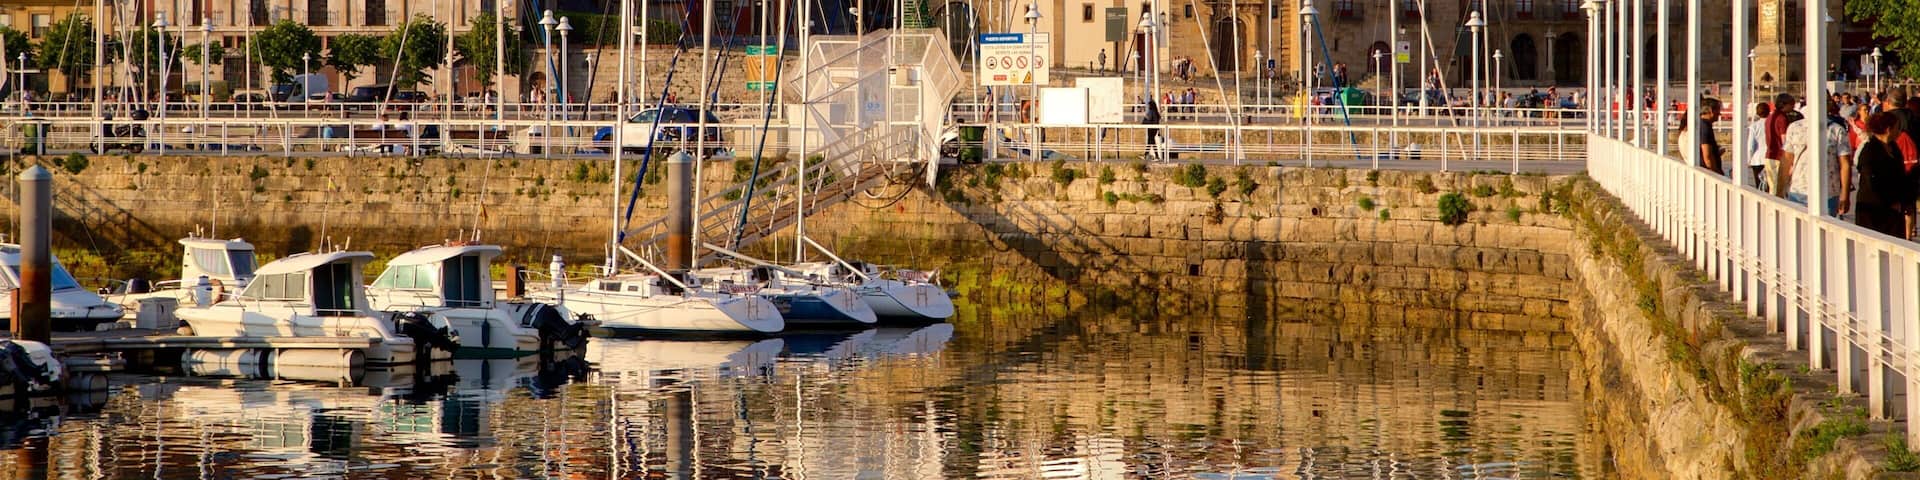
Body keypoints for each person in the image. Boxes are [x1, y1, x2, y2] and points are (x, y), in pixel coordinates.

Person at [1855, 112, 1914, 237]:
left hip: (1894, 212)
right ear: (1888, 129)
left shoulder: (1893, 147)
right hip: (1873, 211)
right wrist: (1890, 202)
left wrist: (1906, 201)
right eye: (1897, 127)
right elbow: (1871, 182)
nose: (1899, 130)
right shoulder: (1869, 151)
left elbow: (1901, 177)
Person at [1766, 92, 1799, 197]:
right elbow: (1785, 140)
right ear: (1784, 104)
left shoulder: (1771, 117)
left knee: (1773, 188)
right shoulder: (1782, 118)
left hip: (1770, 156)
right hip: (1779, 157)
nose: (1793, 106)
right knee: (1779, 190)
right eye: (1792, 104)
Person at [1694, 97, 1725, 175]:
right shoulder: (1705, 126)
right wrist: (1717, 174)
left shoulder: (1700, 124)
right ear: (1711, 110)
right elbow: (1707, 156)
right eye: (1718, 110)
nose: (1719, 113)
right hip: (1708, 173)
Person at [1748, 102, 1773, 188]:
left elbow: (1751, 145)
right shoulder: (1772, 124)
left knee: (1759, 185)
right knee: (1771, 185)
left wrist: (1749, 159)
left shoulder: (1754, 126)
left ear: (1757, 113)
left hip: (1757, 159)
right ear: (1769, 111)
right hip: (1770, 157)